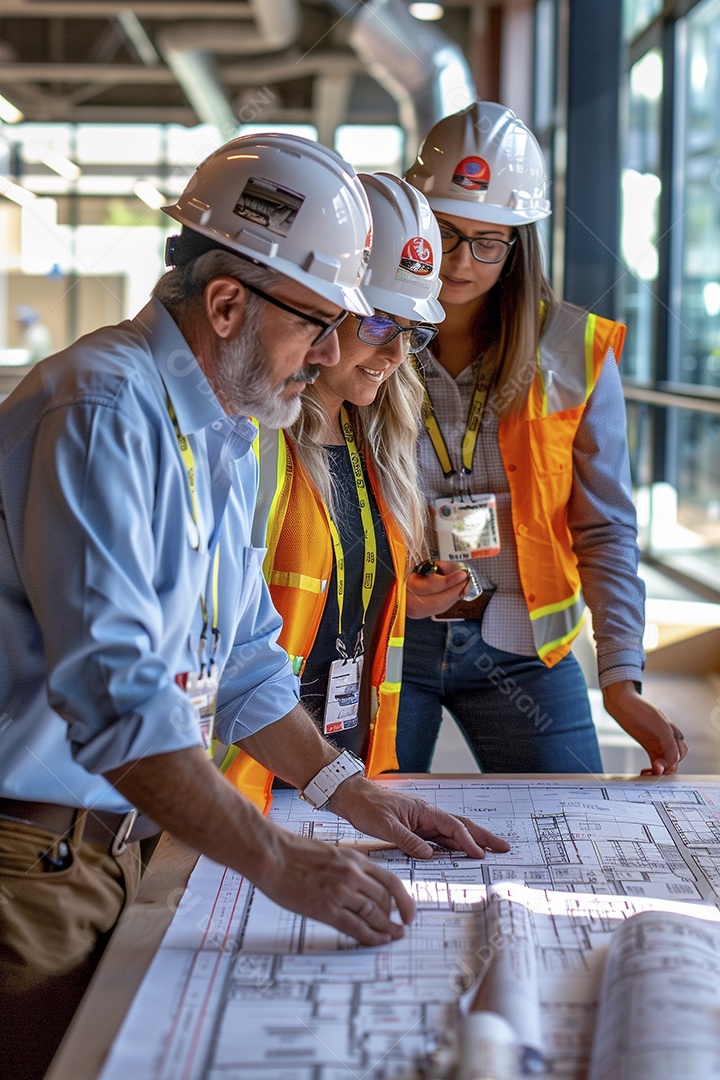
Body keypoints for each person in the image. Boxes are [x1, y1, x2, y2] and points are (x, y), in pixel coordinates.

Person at [0, 133, 510, 1080]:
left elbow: (242, 665)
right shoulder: (103, 410)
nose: (328, 357)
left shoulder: (228, 434)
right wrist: (275, 861)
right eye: (317, 324)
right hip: (32, 859)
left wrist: (351, 795)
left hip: (125, 844)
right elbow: (120, 702)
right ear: (228, 303)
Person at [394, 101, 689, 777]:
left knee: (574, 830)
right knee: (363, 835)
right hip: (390, 637)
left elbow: (605, 528)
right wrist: (388, 582)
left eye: (488, 240)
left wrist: (621, 679)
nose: (459, 260)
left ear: (518, 244)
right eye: (442, 232)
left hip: (524, 650)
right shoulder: (369, 338)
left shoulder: (575, 351)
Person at [221, 173, 472, 808]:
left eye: (411, 332)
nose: (395, 353)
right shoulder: (251, 439)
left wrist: (402, 596)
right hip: (251, 779)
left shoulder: (378, 441)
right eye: (380, 323)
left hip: (345, 771)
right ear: (328, 312)